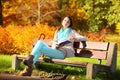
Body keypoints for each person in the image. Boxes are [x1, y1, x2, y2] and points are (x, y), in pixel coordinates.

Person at [20, 16, 87, 76]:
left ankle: (28, 68)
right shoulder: (58, 31)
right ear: (62, 22)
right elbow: (54, 42)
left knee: (39, 49)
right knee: (40, 42)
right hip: (55, 50)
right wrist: (55, 44)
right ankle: (30, 62)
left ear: (70, 24)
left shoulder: (72, 32)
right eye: (65, 20)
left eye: (68, 21)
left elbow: (83, 37)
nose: (66, 22)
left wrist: (75, 39)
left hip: (62, 53)